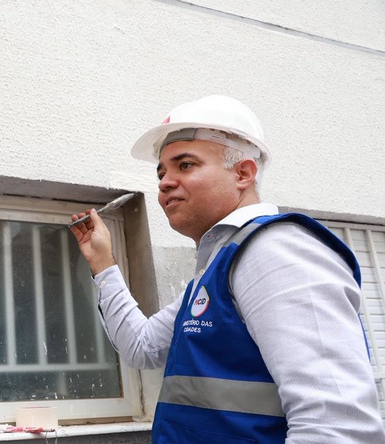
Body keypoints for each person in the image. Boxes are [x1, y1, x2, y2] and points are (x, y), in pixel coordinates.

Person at [70, 95, 385, 443]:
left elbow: (338, 426)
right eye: (161, 172)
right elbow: (141, 347)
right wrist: (103, 262)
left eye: (185, 165)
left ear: (243, 173)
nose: (164, 182)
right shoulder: (215, 273)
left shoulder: (275, 251)